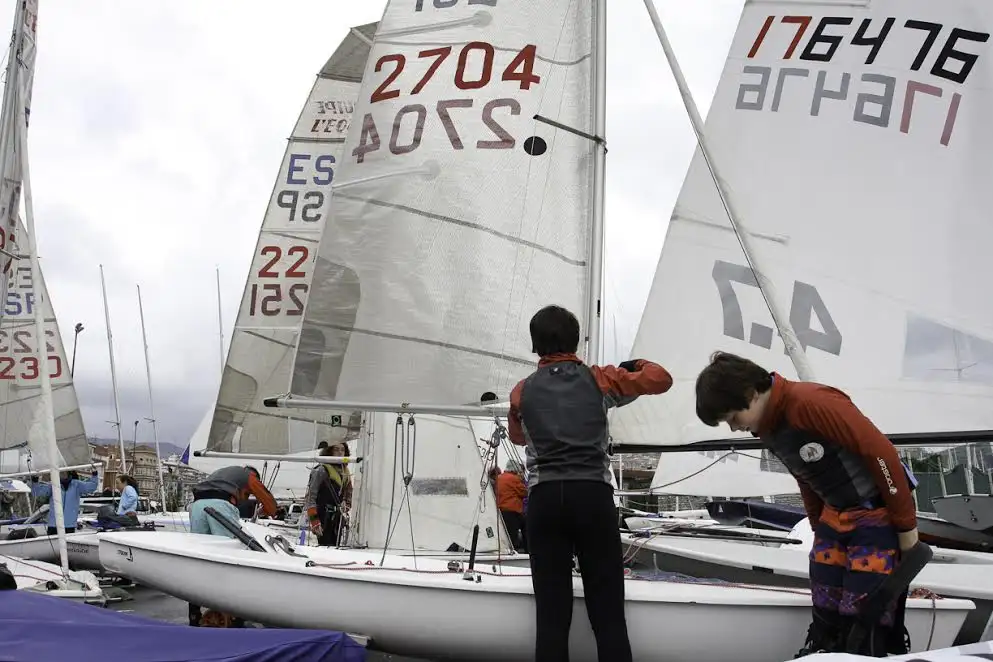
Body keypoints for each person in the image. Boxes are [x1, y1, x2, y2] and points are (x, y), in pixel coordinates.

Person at [694, 352, 919, 657]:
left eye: (732, 418)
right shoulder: (769, 427)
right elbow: (807, 476)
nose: (734, 428)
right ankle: (826, 651)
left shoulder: (812, 402)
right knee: (826, 607)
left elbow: (881, 454)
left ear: (751, 393)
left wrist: (906, 528)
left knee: (864, 615)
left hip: (875, 513)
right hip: (834, 516)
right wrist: (817, 526)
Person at [508, 304, 673, 662]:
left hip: (545, 500)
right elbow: (661, 378)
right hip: (592, 497)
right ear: (576, 340)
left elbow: (517, 436)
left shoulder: (521, 391)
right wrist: (635, 365)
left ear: (535, 346)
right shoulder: (600, 379)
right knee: (608, 615)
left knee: (551, 619)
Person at [187, 465, 278, 627]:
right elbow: (270, 504)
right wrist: (269, 510)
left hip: (197, 505)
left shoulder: (219, 473)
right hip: (221, 505)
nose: (246, 497)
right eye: (248, 493)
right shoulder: (249, 476)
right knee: (228, 555)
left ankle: (194, 612)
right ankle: (231, 612)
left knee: (199, 555)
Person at [303, 442, 352, 547]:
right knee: (325, 545)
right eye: (336, 449)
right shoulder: (320, 470)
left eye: (342, 450)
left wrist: (346, 505)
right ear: (330, 451)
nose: (340, 452)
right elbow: (310, 497)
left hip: (336, 518)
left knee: (336, 545)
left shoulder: (345, 472)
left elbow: (348, 494)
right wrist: (314, 521)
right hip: (322, 515)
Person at [30, 468, 99, 535]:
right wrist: (35, 480)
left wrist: (94, 474)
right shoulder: (53, 485)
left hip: (69, 525)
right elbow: (37, 492)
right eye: (60, 472)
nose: (61, 474)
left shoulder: (77, 485)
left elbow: (92, 487)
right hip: (54, 525)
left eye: (63, 472)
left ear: (68, 473)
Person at [492, 461, 527, 552]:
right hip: (513, 510)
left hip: (501, 510)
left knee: (505, 534)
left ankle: (505, 550)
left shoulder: (499, 478)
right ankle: (524, 550)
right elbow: (524, 492)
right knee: (519, 531)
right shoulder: (515, 479)